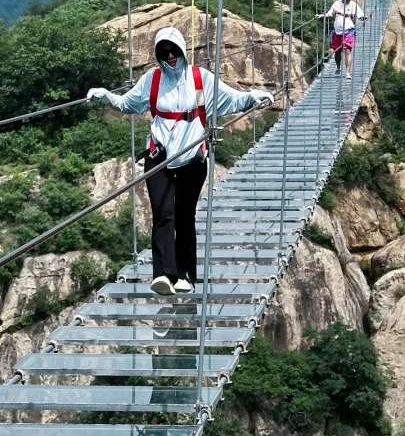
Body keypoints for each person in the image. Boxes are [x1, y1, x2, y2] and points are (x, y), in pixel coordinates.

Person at [87, 27, 272, 296]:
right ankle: (163, 274)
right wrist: (105, 95)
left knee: (185, 217)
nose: (170, 56)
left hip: (192, 157)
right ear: (158, 55)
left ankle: (185, 275)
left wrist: (252, 98)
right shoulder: (152, 80)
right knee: (163, 214)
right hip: (159, 155)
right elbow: (128, 104)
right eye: (164, 52)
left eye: (174, 51)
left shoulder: (199, 78)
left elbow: (230, 99)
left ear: (183, 51)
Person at [319, 0, 365, 78]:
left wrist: (364, 17)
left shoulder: (353, 5)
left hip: (349, 31)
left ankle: (347, 73)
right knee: (337, 51)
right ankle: (338, 68)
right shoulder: (336, 4)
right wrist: (322, 15)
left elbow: (361, 15)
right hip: (337, 31)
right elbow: (330, 13)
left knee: (347, 51)